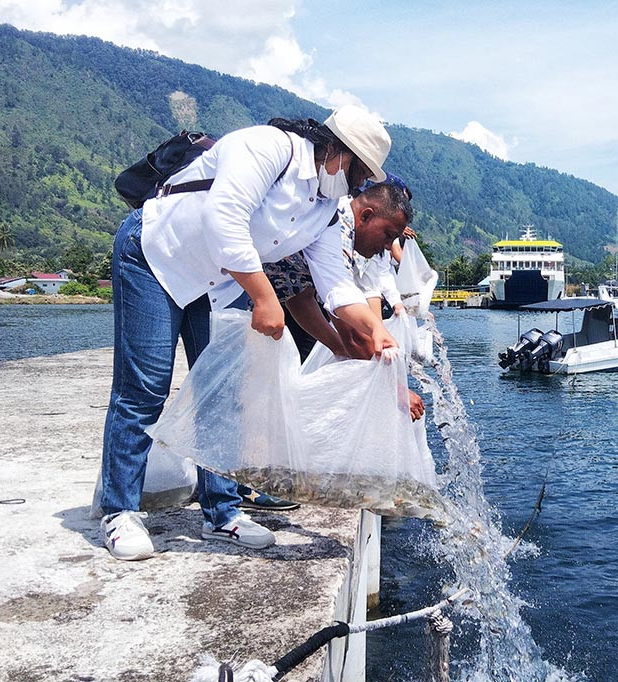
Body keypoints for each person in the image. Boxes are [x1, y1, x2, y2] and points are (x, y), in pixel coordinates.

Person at [100, 106, 397, 561]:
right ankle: (120, 511)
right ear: (338, 151)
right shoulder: (267, 147)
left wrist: (375, 332)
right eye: (358, 175)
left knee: (223, 393)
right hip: (156, 256)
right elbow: (225, 217)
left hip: (214, 280)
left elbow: (335, 284)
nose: (357, 188)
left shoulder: (327, 208)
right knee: (145, 387)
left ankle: (222, 512)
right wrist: (263, 297)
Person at [264, 181, 425, 420]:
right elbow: (350, 328)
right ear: (366, 215)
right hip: (212, 266)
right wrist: (397, 391)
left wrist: (338, 347)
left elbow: (298, 297)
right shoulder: (336, 229)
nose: (385, 248)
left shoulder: (333, 223)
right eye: (387, 236)